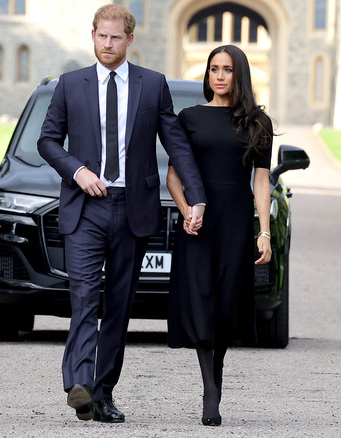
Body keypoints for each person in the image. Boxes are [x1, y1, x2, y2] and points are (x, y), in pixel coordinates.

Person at [38, 4, 207, 423]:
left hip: (133, 208)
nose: (107, 44)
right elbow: (47, 141)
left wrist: (197, 195)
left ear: (129, 40)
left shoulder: (152, 85)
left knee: (118, 305)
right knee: (83, 296)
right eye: (101, 36)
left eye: (115, 38)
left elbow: (176, 143)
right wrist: (77, 171)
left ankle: (103, 393)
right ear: (92, 35)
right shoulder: (69, 84)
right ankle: (78, 383)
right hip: (85, 207)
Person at [166, 44, 273, 426]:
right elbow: (174, 174)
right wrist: (185, 212)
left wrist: (264, 231)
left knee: (226, 304)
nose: (220, 76)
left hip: (236, 222)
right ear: (208, 74)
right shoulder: (189, 117)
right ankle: (211, 392)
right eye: (214, 69)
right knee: (201, 301)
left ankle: (215, 382)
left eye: (227, 69)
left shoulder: (258, 122)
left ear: (239, 74)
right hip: (200, 223)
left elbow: (262, 180)